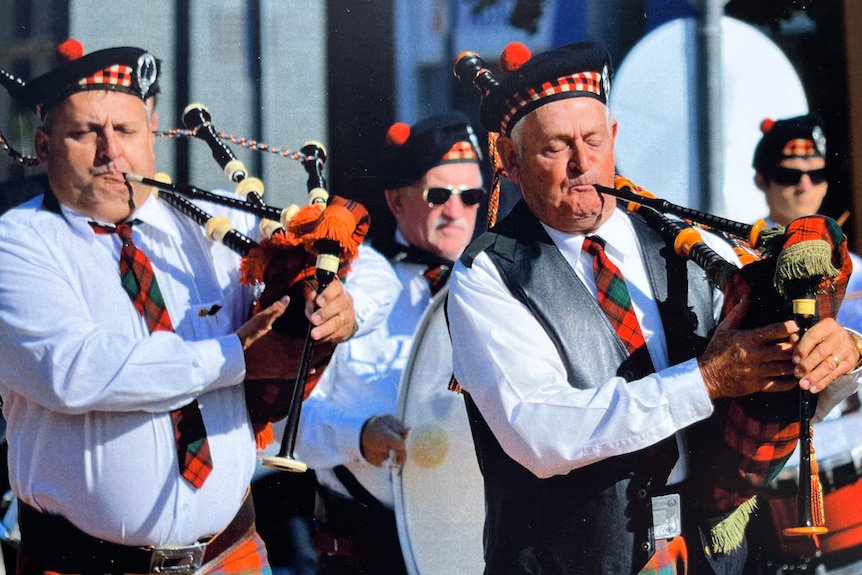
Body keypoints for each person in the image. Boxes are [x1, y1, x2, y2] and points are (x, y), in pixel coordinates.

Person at [446, 41, 861, 574]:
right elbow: (542, 433)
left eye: (593, 140)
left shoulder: (683, 244)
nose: (581, 163)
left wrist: (836, 353)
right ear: (509, 161)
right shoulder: (489, 274)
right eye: (554, 147)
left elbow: (764, 368)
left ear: (614, 139)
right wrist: (706, 380)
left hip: (707, 556)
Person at [0, 43, 356, 574]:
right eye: (84, 133)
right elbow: (73, 371)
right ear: (45, 145)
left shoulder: (212, 225)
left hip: (230, 557)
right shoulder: (18, 242)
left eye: (126, 131)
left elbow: (280, 348)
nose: (110, 152)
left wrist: (329, 314)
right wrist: (231, 357)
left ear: (154, 131)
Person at [295, 112, 485, 574]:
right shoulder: (348, 284)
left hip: (472, 542)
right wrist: (357, 435)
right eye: (438, 195)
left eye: (471, 196)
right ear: (397, 201)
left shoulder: (495, 288)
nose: (456, 212)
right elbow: (289, 415)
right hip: (365, 548)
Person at [752, 113, 862, 339]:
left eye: (817, 175)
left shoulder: (857, 271)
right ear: (762, 181)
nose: (805, 185)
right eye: (789, 175)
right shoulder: (736, 254)